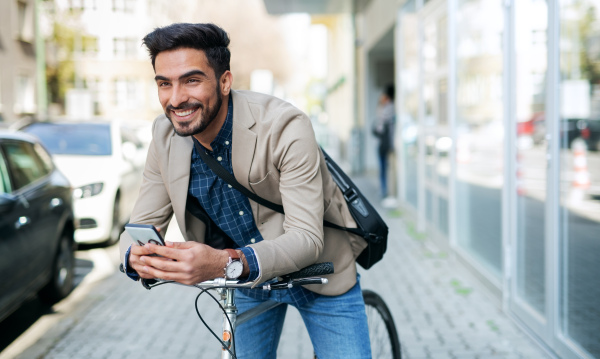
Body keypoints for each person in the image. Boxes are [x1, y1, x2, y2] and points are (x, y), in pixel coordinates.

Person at [119, 23, 371, 358]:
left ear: (224, 81)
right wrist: (134, 256)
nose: (176, 98)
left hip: (320, 274)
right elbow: (139, 227)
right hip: (247, 282)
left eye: (191, 80)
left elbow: (308, 240)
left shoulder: (285, 126)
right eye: (165, 83)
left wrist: (223, 263)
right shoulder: (164, 136)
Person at [372, 84, 395, 206]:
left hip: (384, 144)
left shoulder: (387, 108)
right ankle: (384, 190)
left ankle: (384, 190)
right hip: (385, 143)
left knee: (383, 168)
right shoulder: (388, 107)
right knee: (384, 167)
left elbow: (380, 127)